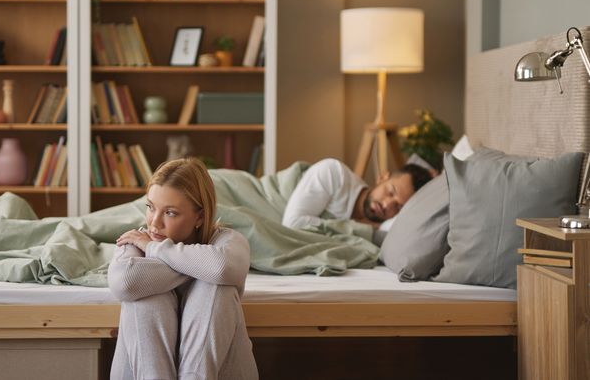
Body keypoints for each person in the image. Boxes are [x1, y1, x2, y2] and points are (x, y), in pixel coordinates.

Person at [108, 157, 259, 380]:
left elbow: (220, 268)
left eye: (170, 213)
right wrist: (197, 266)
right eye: (150, 207)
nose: (154, 223)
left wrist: (154, 248)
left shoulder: (227, 242)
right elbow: (126, 282)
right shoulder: (135, 240)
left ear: (199, 216)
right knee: (144, 296)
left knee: (217, 287)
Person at [282, 158, 432, 232]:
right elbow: (291, 224)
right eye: (390, 192)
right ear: (382, 177)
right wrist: (360, 228)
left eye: (398, 207)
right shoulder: (334, 173)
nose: (387, 205)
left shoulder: (381, 229)